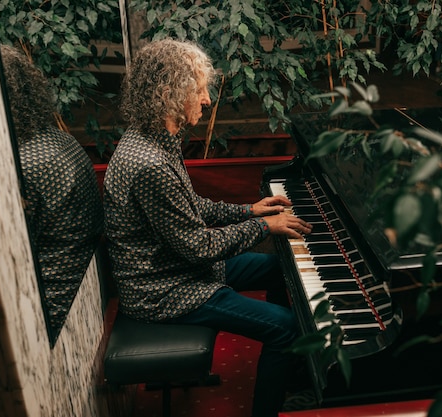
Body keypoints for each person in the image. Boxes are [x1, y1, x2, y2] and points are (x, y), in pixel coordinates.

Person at [103, 38, 312, 417]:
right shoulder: (149, 163)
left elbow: (188, 209)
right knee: (286, 328)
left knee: (285, 269)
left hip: (176, 268)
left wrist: (248, 210)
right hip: (164, 289)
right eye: (198, 89)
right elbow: (198, 246)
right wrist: (265, 227)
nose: (205, 99)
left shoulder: (153, 139)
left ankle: (289, 374)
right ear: (171, 93)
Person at [0, 44, 104, 334]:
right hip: (84, 288)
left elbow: (8, 255)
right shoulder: (57, 140)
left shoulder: (25, 166)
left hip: (53, 308)